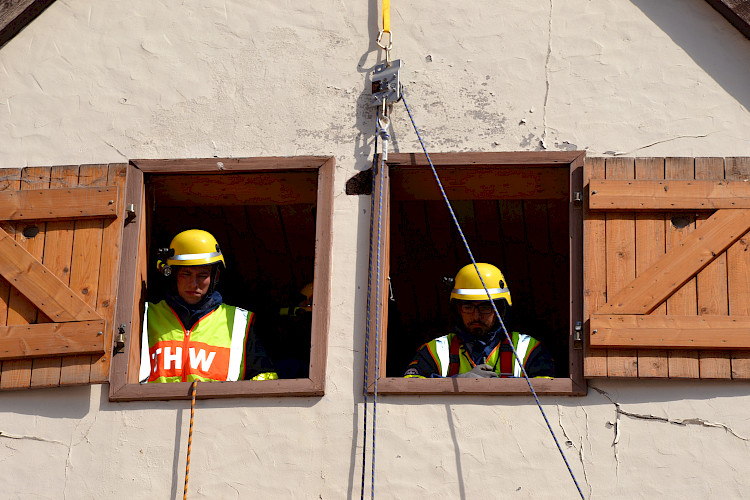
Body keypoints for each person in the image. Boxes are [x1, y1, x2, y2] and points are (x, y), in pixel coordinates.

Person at [139, 229, 277, 383]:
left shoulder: (239, 323)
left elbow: (265, 380)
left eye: (202, 275)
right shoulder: (145, 317)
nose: (193, 284)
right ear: (172, 274)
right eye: (186, 274)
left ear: (215, 276)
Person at [404, 263, 554, 379]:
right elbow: (409, 384)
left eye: (485, 307)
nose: (476, 316)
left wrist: (502, 387)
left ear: (500, 310)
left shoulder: (528, 349)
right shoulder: (436, 350)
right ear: (458, 309)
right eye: (468, 306)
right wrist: (458, 381)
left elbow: (547, 391)